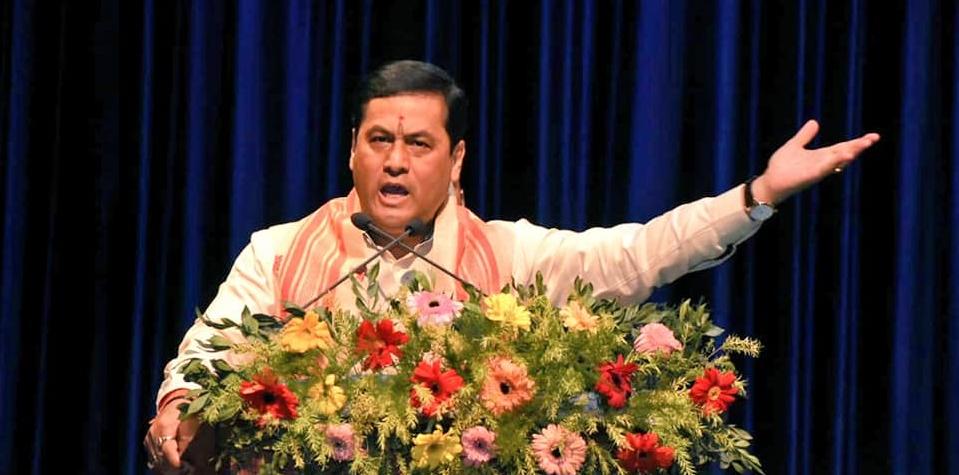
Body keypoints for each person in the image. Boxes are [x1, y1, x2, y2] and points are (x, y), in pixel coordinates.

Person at [143, 60, 880, 473]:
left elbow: (639, 253)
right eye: (379, 140)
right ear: (352, 149)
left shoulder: (509, 256)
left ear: (456, 158)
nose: (395, 161)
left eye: (418, 143)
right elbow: (210, 349)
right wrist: (180, 407)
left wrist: (757, 195)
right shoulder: (279, 251)